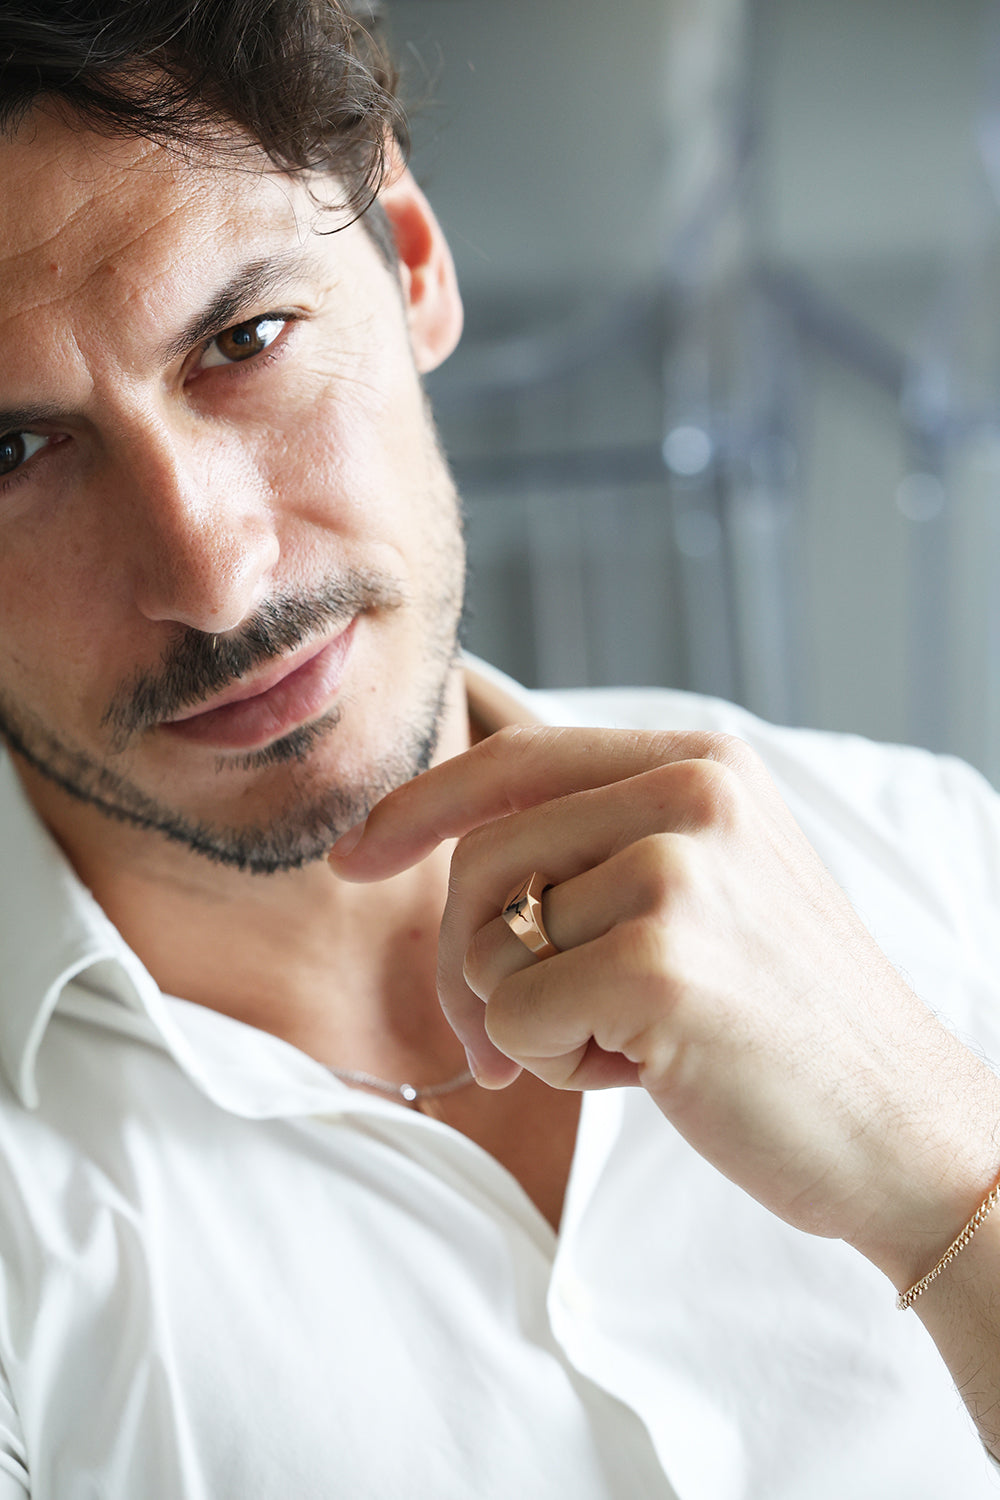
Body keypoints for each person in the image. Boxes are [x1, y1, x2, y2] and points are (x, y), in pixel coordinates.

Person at [0, 2, 999, 1495]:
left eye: (244, 340)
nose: (211, 573)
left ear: (410, 256)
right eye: (12, 452)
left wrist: (943, 1181)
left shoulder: (935, 857)